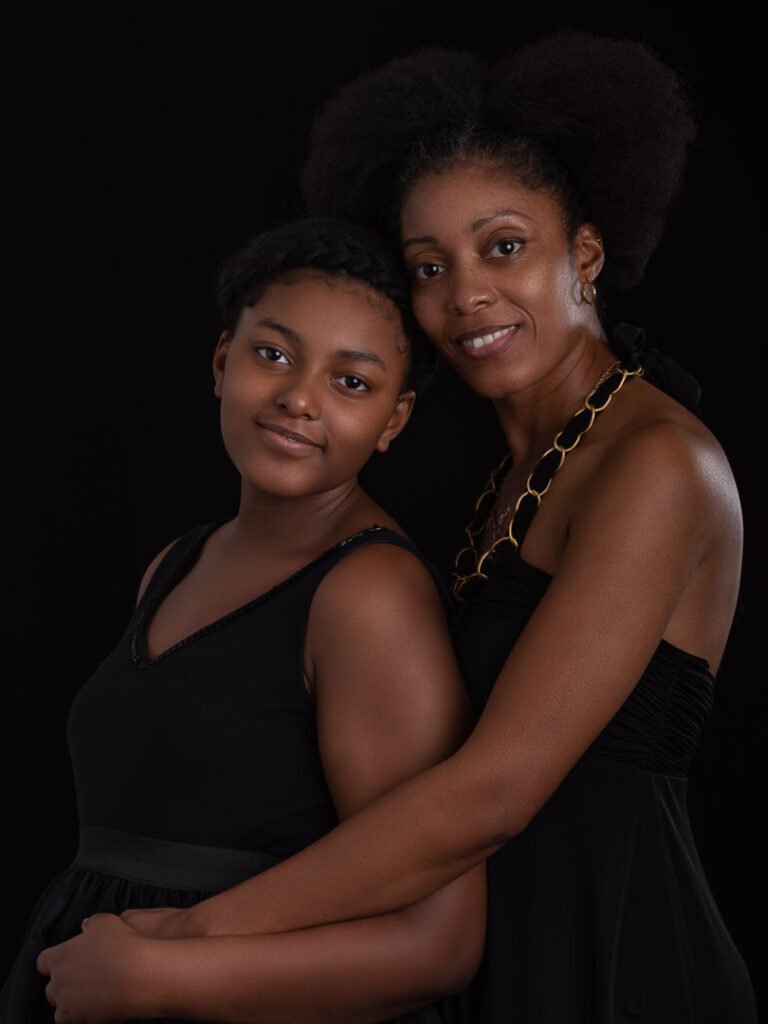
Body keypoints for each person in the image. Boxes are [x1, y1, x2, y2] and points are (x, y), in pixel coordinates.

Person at [36, 31, 757, 1024]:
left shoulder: (658, 462)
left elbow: (494, 792)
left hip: (615, 954)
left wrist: (189, 938)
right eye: (430, 264)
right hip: (500, 955)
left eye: (503, 245)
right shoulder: (510, 476)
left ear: (585, 251)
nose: (465, 294)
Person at [5, 218, 486, 1023]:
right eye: (274, 355)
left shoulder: (368, 592)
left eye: (352, 382)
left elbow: (438, 943)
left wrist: (160, 979)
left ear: (393, 421)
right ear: (223, 361)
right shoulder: (177, 562)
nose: (299, 397)